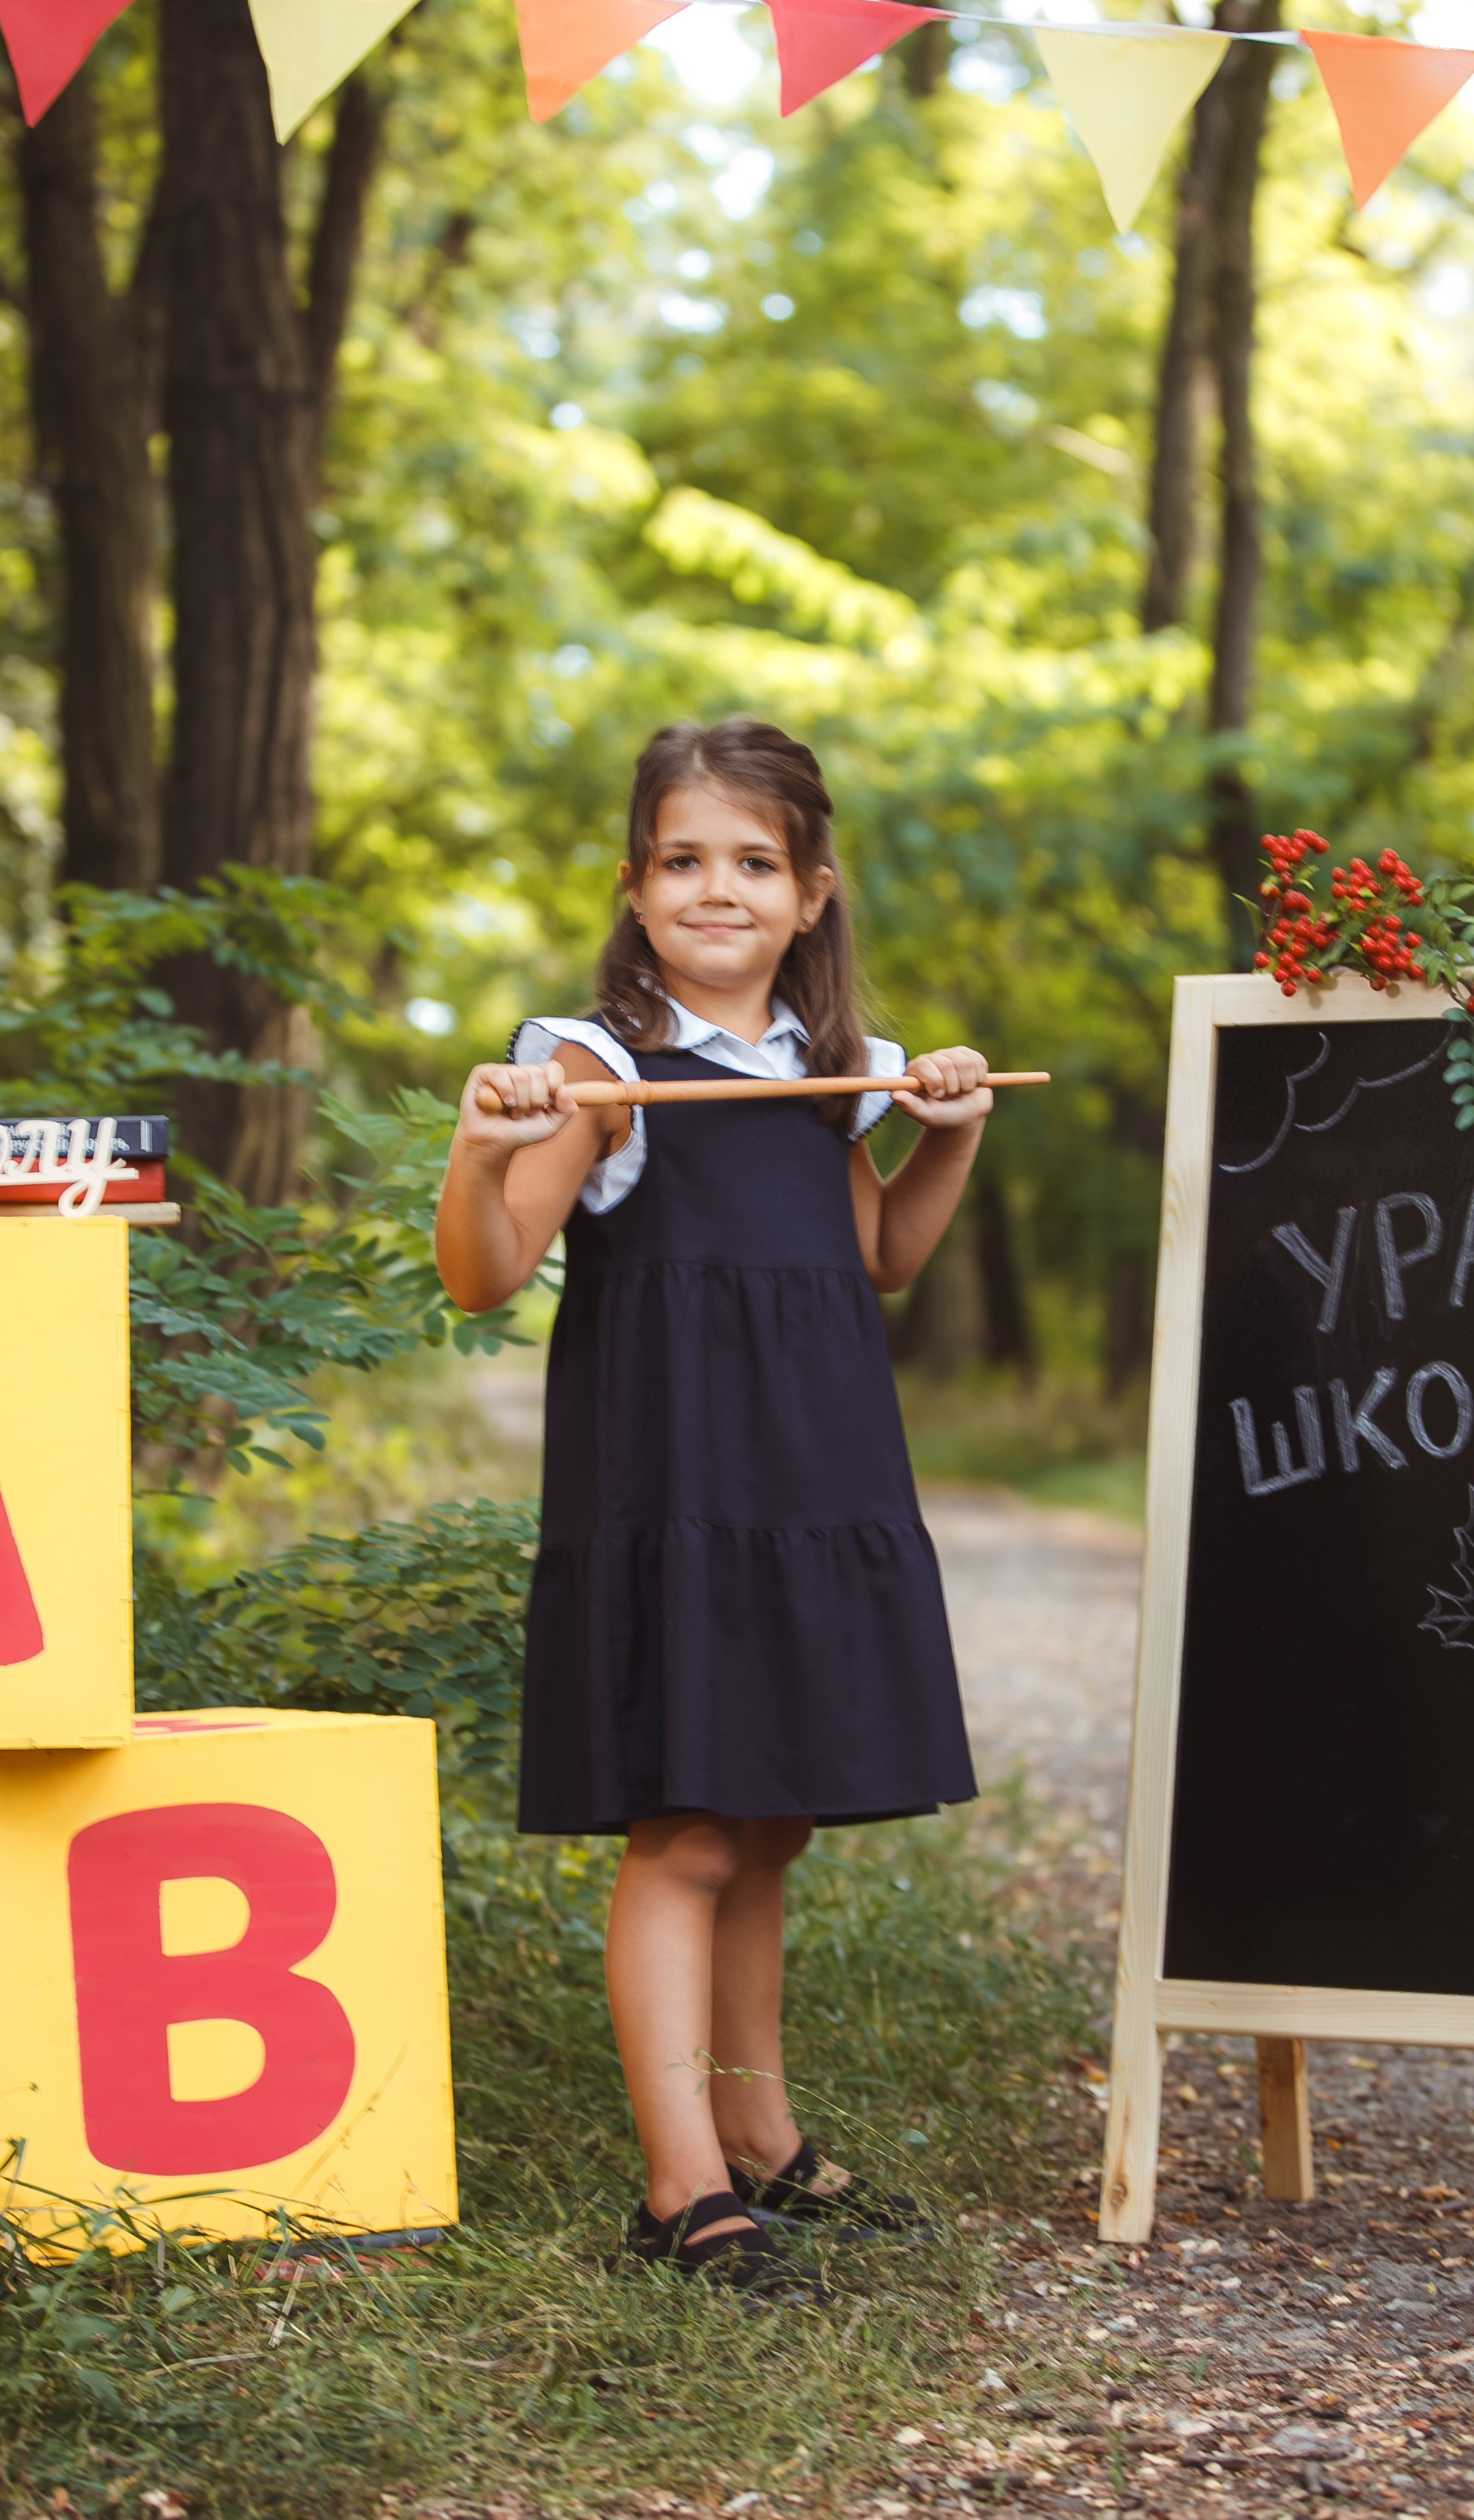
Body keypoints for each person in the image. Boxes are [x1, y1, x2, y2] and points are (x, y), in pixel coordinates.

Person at [435, 718, 989, 2292]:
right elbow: (483, 1274)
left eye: (753, 863)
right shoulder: (598, 1072)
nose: (718, 888)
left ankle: (766, 2144)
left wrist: (942, 1135)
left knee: (772, 1817)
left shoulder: (836, 1075)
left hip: (813, 1480)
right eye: (684, 861)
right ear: (635, 887)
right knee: (683, 1829)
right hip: (675, 1484)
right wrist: (481, 1155)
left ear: (812, 894)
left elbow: (882, 1260)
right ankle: (682, 2190)